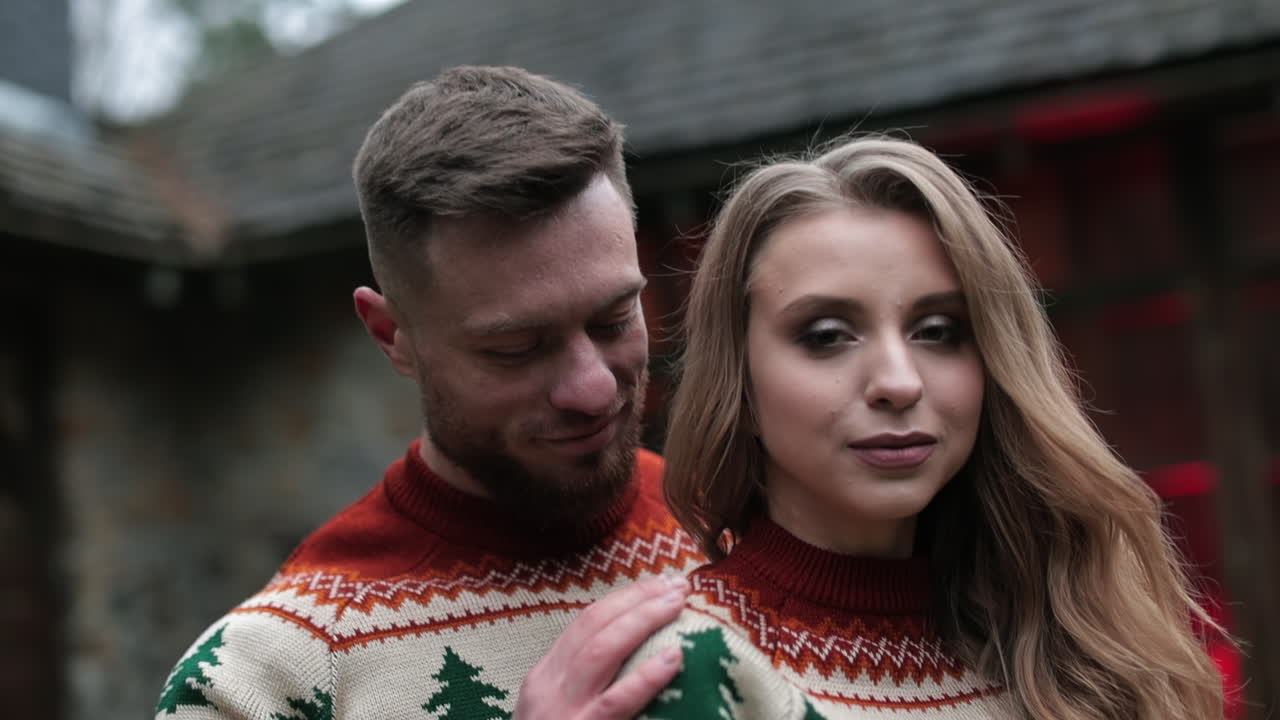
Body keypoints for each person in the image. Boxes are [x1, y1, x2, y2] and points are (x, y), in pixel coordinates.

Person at [154, 65, 705, 720]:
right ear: (392, 336)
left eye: (614, 319)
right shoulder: (260, 679)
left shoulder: (743, 533)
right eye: (516, 348)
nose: (591, 389)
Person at [623, 136, 1227, 719]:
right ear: (740, 381)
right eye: (827, 336)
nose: (899, 381)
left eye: (938, 330)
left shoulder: (1072, 651)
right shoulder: (690, 668)